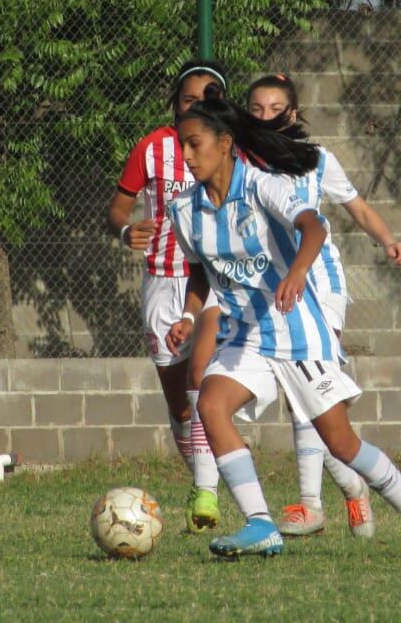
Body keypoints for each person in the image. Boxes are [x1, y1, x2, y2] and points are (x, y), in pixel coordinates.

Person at [165, 97, 401, 560]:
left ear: (226, 143)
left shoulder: (261, 187)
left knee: (341, 444)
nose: (188, 156)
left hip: (296, 330)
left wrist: (296, 272)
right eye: (183, 146)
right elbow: (198, 271)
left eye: (195, 144)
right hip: (245, 334)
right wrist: (190, 317)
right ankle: (260, 525)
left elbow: (313, 226)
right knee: (210, 405)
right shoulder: (184, 210)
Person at [106, 60, 226, 534]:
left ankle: (208, 493)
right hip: (161, 283)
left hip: (212, 281)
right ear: (176, 105)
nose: (196, 106)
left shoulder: (230, 148)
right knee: (180, 406)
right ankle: (202, 478)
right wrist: (124, 230)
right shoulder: (152, 148)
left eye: (207, 98)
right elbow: (116, 209)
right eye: (188, 99)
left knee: (201, 377)